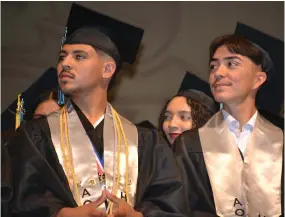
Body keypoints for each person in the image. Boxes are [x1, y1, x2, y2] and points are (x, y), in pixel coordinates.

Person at [7, 3, 188, 217]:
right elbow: (18, 199)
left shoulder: (146, 143)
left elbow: (171, 204)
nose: (65, 63)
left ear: (107, 69)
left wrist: (137, 215)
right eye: (62, 56)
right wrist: (61, 214)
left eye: (79, 56)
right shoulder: (33, 136)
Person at [173, 34, 283, 216]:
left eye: (231, 64)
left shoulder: (280, 142)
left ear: (258, 79)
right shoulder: (191, 144)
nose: (218, 73)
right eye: (213, 66)